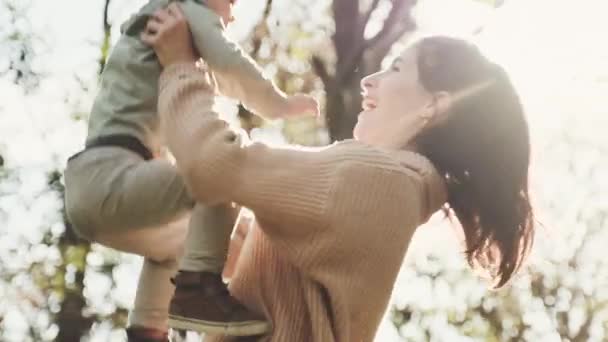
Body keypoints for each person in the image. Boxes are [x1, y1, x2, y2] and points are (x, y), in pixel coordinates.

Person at [141, 5, 536, 342]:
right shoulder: (393, 192)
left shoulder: (377, 181)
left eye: (395, 68)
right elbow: (249, 249)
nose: (369, 81)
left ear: (434, 106)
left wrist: (180, 67)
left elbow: (217, 165)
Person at [64, 0, 319, 340]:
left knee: (177, 243)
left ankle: (148, 329)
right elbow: (228, 62)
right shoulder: (182, 10)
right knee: (222, 168)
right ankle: (197, 287)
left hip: (91, 187)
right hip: (112, 174)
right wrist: (278, 104)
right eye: (231, 1)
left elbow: (214, 76)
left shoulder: (150, 29)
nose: (234, 12)